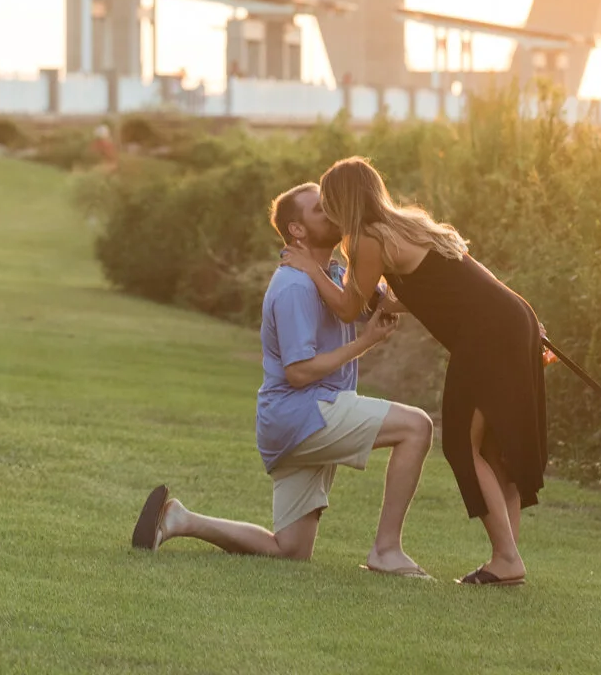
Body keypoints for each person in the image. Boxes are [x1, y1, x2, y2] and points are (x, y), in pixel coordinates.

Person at [131, 180, 433, 573]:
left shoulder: (336, 273)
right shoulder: (293, 285)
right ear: (297, 230)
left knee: (290, 551)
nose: (333, 213)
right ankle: (386, 551)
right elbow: (298, 372)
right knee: (417, 427)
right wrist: (365, 343)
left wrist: (433, 271)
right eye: (320, 211)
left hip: (294, 422)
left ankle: (179, 519)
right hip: (303, 412)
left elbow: (393, 300)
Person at [281, 157, 546, 587]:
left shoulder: (369, 238)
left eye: (330, 201)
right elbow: (443, 286)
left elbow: (350, 307)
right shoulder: (405, 223)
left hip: (490, 333)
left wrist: (311, 269)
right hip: (511, 318)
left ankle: (506, 560)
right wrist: (524, 325)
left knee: (465, 443)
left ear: (344, 199)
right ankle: (505, 560)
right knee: (494, 444)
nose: (327, 211)